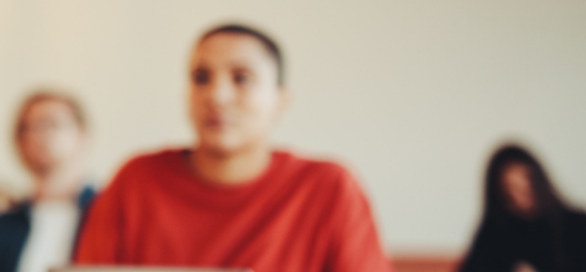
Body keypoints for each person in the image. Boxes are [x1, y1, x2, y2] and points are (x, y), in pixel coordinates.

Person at [75, 23, 393, 272]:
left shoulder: (328, 189)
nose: (217, 96)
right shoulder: (136, 180)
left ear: (280, 102)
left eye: (242, 78)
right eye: (201, 77)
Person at [0, 91, 96, 272]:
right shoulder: (0, 223)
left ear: (82, 134)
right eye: (27, 127)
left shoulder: (107, 214)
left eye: (50, 124)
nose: (37, 134)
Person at [460, 144, 586, 272]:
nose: (524, 195)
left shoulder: (577, 225)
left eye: (526, 184)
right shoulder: (493, 234)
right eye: (513, 189)